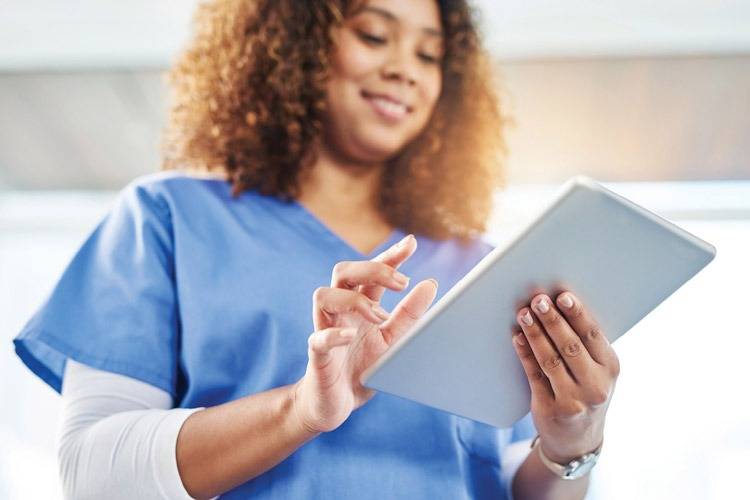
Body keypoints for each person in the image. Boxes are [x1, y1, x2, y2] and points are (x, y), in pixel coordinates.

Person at [13, 0, 620, 499]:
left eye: (429, 54)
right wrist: (302, 410)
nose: (406, 69)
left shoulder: (486, 268)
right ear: (293, 43)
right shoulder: (168, 219)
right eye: (374, 34)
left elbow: (514, 484)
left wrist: (572, 442)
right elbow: (92, 475)